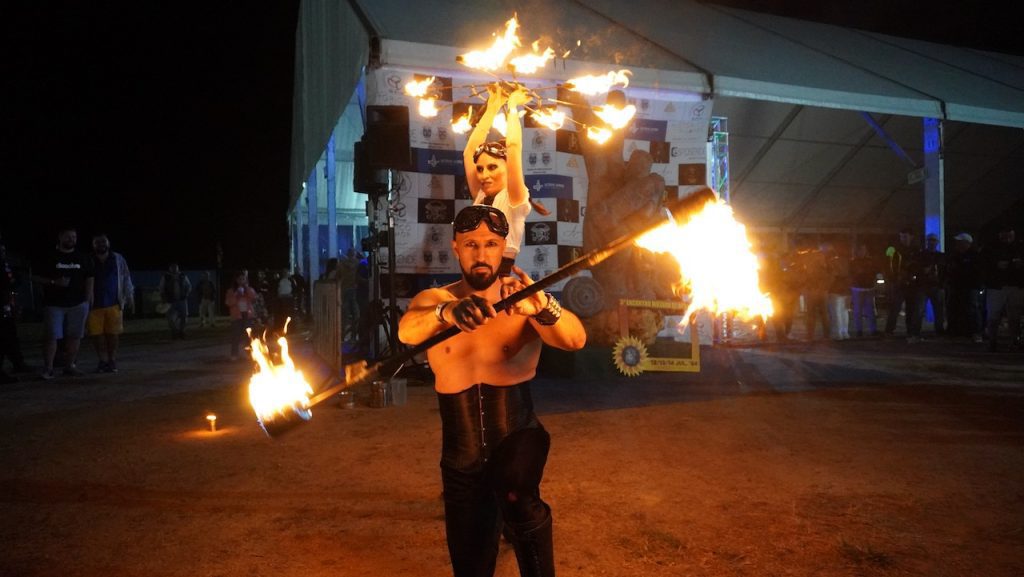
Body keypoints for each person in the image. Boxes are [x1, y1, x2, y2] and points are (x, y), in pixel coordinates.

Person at [398, 205, 586, 577]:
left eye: (490, 244)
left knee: (515, 491)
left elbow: (575, 339)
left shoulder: (525, 300)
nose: (481, 254)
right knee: (470, 562)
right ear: (455, 247)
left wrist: (543, 307)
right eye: (471, 244)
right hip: (460, 458)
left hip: (518, 436)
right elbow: (407, 331)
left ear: (503, 248)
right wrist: (447, 312)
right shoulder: (433, 300)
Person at [464, 84, 532, 276]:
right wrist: (493, 105)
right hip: (472, 276)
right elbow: (469, 152)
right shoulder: (481, 195)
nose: (484, 175)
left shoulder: (514, 197)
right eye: (480, 169)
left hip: (498, 280)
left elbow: (513, 146)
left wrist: (512, 106)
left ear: (509, 167)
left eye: (492, 167)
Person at [31, 225, 94, 379]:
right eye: (68, 236)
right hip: (54, 304)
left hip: (78, 303)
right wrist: (54, 282)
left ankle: (70, 366)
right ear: (60, 237)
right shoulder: (49, 256)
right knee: (52, 336)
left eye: (74, 237)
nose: (71, 239)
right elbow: (34, 277)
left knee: (75, 336)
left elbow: (90, 278)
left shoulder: (83, 257)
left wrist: (87, 300)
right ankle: (48, 368)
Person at [87, 234, 134, 373]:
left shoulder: (118, 259)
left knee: (113, 334)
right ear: (93, 245)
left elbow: (126, 277)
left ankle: (112, 360)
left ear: (108, 243)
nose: (101, 244)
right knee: (97, 335)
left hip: (114, 303)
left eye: (103, 241)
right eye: (97, 242)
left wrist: (129, 296)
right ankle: (103, 360)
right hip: (93, 305)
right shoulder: (88, 260)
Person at [981, 225, 1023, 351]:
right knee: (993, 314)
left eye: (1010, 235)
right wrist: (995, 265)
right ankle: (992, 340)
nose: (1007, 238)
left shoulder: (1020, 247)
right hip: (996, 286)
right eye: (1005, 235)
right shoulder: (990, 248)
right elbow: (982, 264)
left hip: (1016, 285)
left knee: (1015, 315)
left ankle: (1015, 340)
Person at [884, 229, 923, 342]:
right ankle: (889, 332)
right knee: (895, 308)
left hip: (912, 284)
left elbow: (918, 265)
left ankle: (911, 332)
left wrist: (913, 275)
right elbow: (888, 264)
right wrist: (894, 278)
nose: (903, 239)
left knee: (911, 309)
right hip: (899, 283)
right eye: (901, 237)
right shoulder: (895, 249)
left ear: (911, 237)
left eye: (905, 236)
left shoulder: (916, 250)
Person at [0, 238, 30, 383]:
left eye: (3, 250)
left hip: (5, 306)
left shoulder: (5, 264)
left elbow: (10, 285)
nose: (2, 253)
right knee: (4, 338)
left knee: (10, 336)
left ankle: (18, 363)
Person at [945, 232, 984, 342]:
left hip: (971, 286)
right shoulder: (955, 255)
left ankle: (976, 332)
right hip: (956, 286)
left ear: (967, 243)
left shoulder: (974, 256)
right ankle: (956, 331)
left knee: (972, 309)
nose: (958, 244)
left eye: (961, 242)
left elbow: (977, 271)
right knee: (954, 308)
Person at [916, 232, 946, 336]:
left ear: (937, 242)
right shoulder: (921, 255)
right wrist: (923, 271)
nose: (932, 242)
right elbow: (916, 269)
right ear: (927, 242)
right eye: (930, 240)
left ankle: (939, 330)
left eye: (934, 240)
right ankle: (916, 331)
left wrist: (942, 284)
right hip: (923, 286)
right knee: (919, 310)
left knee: (939, 311)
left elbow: (944, 271)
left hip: (937, 286)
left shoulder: (941, 256)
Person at [225, 271, 258, 361]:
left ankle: (249, 354)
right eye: (240, 279)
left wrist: (247, 289)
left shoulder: (248, 289)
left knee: (248, 336)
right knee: (236, 336)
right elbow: (228, 302)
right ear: (236, 280)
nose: (242, 281)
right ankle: (234, 354)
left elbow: (254, 298)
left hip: (248, 315)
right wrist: (236, 296)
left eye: (243, 279)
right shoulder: (231, 291)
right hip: (237, 316)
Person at [849, 243, 880, 337]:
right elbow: (851, 274)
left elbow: (874, 272)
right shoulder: (854, 262)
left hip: (866, 288)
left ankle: (870, 330)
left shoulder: (868, 261)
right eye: (861, 250)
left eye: (863, 250)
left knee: (868, 311)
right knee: (861, 311)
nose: (862, 252)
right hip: (859, 288)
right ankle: (861, 330)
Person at [159, 263, 192, 339]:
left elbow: (189, 286)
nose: (174, 269)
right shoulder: (166, 277)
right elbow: (161, 288)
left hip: (182, 300)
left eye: (175, 268)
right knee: (170, 318)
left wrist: (186, 294)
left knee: (184, 316)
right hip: (170, 301)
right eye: (172, 268)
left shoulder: (182, 276)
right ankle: (174, 332)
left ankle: (182, 332)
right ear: (170, 269)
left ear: (178, 268)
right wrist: (163, 298)